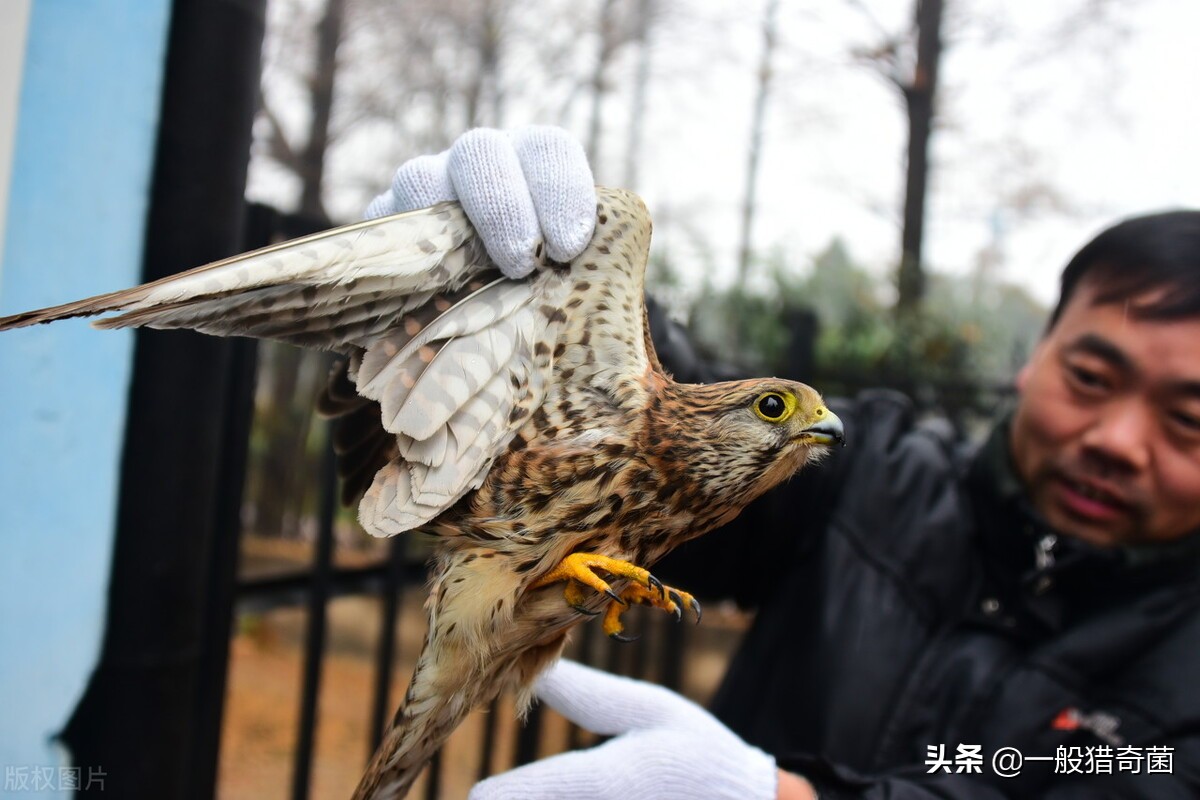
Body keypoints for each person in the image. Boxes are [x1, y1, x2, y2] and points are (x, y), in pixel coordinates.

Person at [367, 127, 1200, 798]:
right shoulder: (870, 477)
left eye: (1189, 419)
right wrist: (523, 271)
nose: (1118, 441)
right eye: (1092, 378)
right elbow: (662, 433)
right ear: (1036, 355)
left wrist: (776, 796)